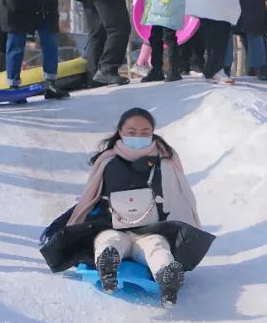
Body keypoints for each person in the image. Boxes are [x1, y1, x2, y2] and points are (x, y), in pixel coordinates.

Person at [50, 108, 206, 307]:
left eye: (144, 132)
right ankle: (108, 264)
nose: (138, 136)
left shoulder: (165, 161)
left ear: (152, 132)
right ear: (121, 132)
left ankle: (167, 275)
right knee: (109, 240)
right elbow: (91, 197)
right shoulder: (107, 161)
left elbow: (178, 198)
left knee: (157, 245)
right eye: (131, 132)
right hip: (112, 225)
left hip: (152, 228)